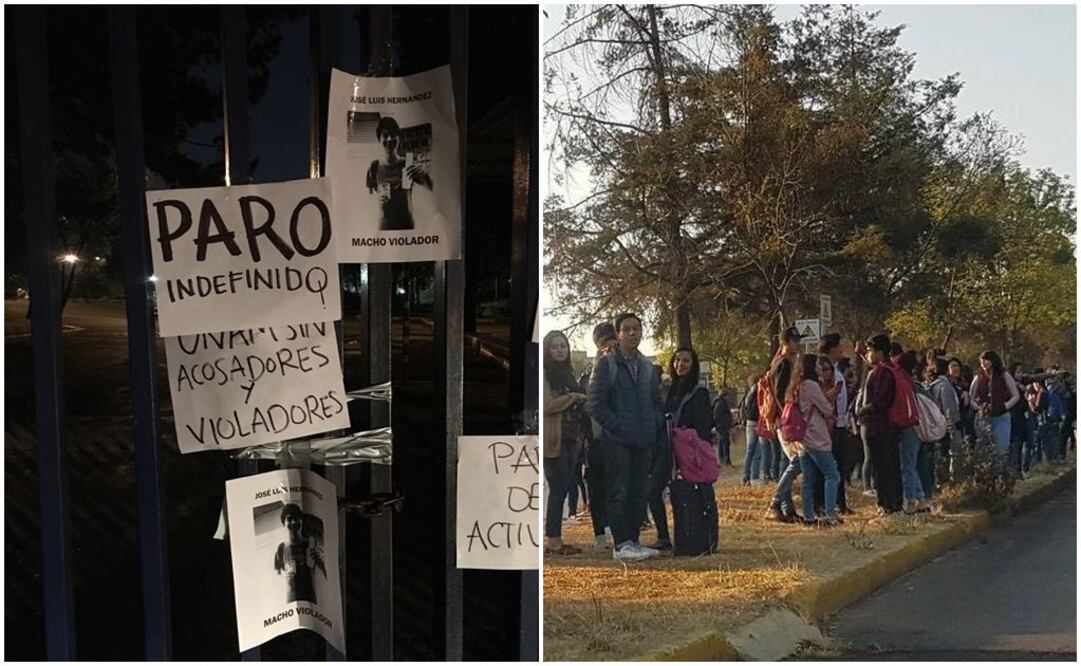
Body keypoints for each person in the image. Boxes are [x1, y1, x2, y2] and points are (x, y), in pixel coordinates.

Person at [588, 313, 663, 562]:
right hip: (618, 441)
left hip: (643, 440)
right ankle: (621, 543)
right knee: (618, 491)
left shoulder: (646, 366)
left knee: (638, 492)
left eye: (637, 329)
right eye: (627, 329)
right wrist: (616, 427)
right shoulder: (606, 364)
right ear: (618, 334)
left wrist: (653, 424)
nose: (633, 334)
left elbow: (655, 401)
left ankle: (634, 541)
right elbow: (596, 404)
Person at [656, 347, 713, 550]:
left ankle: (692, 535)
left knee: (690, 494)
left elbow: (704, 427)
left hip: (688, 453)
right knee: (654, 491)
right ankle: (664, 536)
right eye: (677, 360)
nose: (681, 364)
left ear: (693, 364)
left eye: (686, 360)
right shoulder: (669, 391)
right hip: (668, 450)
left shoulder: (698, 392)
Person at [542, 330, 586, 555]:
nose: (560, 350)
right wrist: (573, 397)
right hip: (553, 439)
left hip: (571, 438)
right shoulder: (545, 375)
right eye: (555, 346)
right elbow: (547, 405)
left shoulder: (568, 374)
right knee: (558, 487)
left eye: (563, 346)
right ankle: (553, 539)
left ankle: (556, 537)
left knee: (565, 486)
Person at [855, 334, 903, 520]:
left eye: (869, 350)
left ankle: (887, 507)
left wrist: (860, 410)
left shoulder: (882, 372)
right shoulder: (891, 369)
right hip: (887, 426)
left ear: (879, 352)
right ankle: (895, 505)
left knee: (882, 469)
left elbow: (880, 401)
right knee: (890, 466)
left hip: (878, 426)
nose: (867, 354)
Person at [793, 354, 843, 525]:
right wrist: (832, 395)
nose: (819, 368)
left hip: (802, 437)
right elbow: (826, 408)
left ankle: (808, 516)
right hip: (816, 436)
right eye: (817, 365)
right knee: (832, 475)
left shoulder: (797, 385)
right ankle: (830, 514)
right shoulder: (812, 385)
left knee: (807, 480)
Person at [580, 322, 618, 551]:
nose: (610, 347)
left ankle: (616, 529)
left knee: (617, 487)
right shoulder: (588, 376)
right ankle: (599, 532)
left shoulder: (623, 370)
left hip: (618, 439)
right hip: (596, 441)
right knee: (597, 488)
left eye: (612, 342)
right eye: (605, 343)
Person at [765, 325, 805, 523]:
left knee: (786, 462)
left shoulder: (784, 361)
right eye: (795, 340)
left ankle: (786, 508)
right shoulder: (784, 363)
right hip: (783, 418)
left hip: (781, 417)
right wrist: (784, 417)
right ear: (785, 342)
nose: (798, 344)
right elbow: (779, 393)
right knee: (797, 460)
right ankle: (775, 503)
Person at [365, 116, 433, 231]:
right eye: (385, 135)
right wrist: (376, 200)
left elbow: (432, 191)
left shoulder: (408, 163)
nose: (390, 139)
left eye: (393, 134)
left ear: (399, 138)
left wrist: (425, 174)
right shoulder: (373, 167)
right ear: (379, 139)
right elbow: (366, 200)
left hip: (407, 228)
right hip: (383, 228)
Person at [816, 334, 854, 514]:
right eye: (839, 346)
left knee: (840, 466)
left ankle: (840, 502)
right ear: (831, 348)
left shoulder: (837, 370)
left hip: (840, 425)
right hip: (830, 427)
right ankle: (826, 504)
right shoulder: (824, 369)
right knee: (831, 467)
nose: (841, 349)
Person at [970, 350, 1021, 475]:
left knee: (1001, 449)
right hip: (983, 417)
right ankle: (984, 476)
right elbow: (971, 398)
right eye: (982, 361)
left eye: (986, 360)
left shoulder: (1004, 375)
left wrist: (1005, 406)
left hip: (1001, 416)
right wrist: (978, 407)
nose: (984, 363)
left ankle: (999, 476)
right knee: (983, 448)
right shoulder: (978, 377)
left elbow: (1015, 395)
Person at [274, 503, 327, 604]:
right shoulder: (281, 549)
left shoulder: (311, 544)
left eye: (297, 518)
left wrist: (321, 561)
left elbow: (325, 578)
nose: (294, 522)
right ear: (283, 523)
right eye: (289, 519)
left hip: (310, 598)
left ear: (301, 521)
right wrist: (285, 576)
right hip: (290, 599)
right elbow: (276, 579)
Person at [925, 354, 962, 483]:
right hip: (945, 428)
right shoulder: (944, 386)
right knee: (946, 457)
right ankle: (946, 484)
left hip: (934, 426)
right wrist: (953, 429)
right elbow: (949, 410)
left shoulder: (930, 384)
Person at [739, 373, 765, 485]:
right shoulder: (760, 391)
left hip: (749, 422)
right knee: (758, 451)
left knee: (750, 450)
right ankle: (754, 475)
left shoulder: (748, 393)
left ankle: (746, 475)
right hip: (758, 422)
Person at [712, 388, 734, 466]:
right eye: (729, 395)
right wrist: (720, 423)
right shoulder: (721, 403)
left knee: (722, 443)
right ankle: (726, 460)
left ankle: (723, 460)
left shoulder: (720, 402)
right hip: (722, 426)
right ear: (725, 395)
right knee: (725, 443)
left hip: (721, 425)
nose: (730, 397)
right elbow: (716, 415)